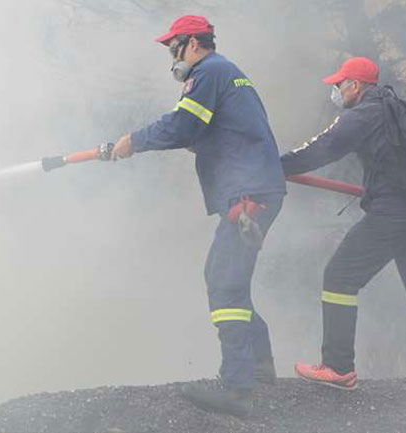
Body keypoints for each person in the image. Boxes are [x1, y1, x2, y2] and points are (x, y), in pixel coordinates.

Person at [109, 15, 286, 416]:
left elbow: (183, 125)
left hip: (248, 194)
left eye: (173, 47)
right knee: (223, 275)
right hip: (253, 188)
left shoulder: (208, 72)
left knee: (225, 284)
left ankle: (238, 390)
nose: (171, 56)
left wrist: (133, 142)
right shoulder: (228, 73)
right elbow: (212, 130)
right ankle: (260, 363)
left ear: (192, 43)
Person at [280, 57, 406, 397]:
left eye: (339, 85)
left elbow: (323, 148)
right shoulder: (404, 109)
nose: (336, 91)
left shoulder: (362, 114)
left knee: (339, 277)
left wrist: (275, 166)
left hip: (394, 211)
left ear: (356, 85)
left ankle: (338, 367)